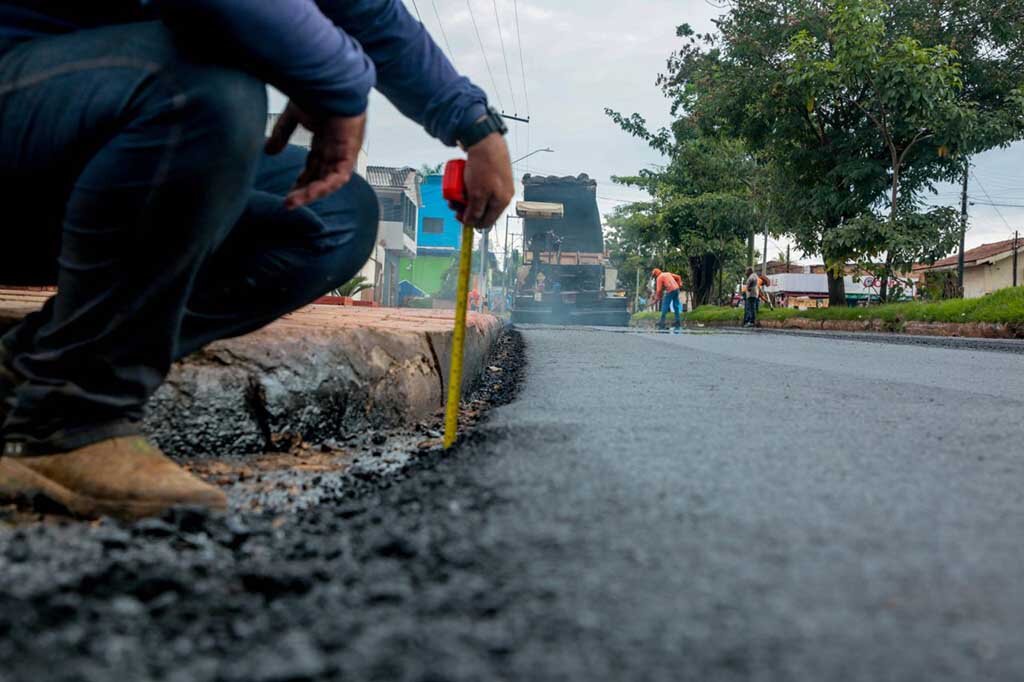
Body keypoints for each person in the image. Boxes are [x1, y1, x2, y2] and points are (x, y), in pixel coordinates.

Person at [0, 0, 515, 519]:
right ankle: (68, 419)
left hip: (114, 169)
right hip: (26, 119)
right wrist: (338, 77)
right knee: (208, 89)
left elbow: (370, 14)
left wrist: (477, 127)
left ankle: (38, 364)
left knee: (336, 213)